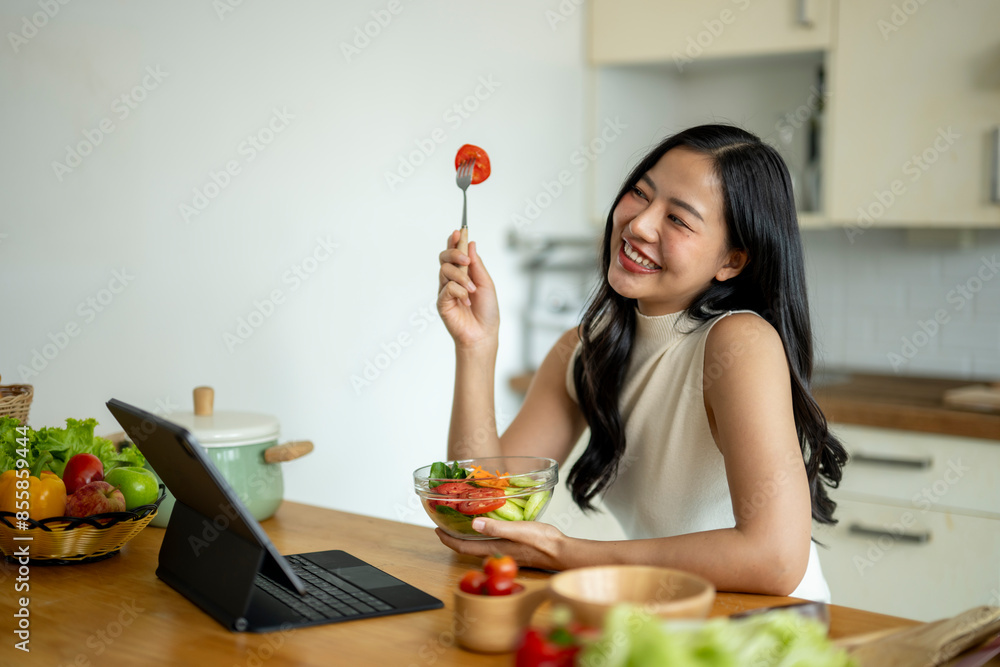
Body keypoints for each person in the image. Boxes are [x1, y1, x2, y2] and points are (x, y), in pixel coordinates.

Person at [435, 124, 847, 601]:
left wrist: (567, 554)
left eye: (678, 219)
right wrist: (476, 345)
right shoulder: (584, 350)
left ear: (732, 261)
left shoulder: (740, 343)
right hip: (667, 615)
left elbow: (774, 559)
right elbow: (486, 505)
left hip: (769, 631)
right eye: (639, 193)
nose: (638, 224)